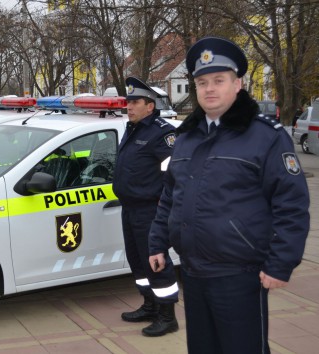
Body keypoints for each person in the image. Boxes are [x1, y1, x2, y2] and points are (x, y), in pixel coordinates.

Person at [148, 36, 310, 354]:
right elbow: (170, 194)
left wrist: (281, 263)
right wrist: (157, 242)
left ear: (238, 84)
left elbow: (291, 203)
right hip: (193, 272)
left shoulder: (265, 137)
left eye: (219, 80)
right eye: (202, 82)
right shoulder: (186, 138)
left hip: (240, 275)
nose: (209, 89)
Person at [112, 77, 179, 337]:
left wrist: (164, 204)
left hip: (150, 210)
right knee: (137, 261)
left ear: (150, 106)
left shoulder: (163, 133)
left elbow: (175, 174)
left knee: (156, 262)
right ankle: (150, 304)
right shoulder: (134, 128)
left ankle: (167, 316)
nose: (129, 106)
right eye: (128, 101)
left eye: (135, 102)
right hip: (130, 208)